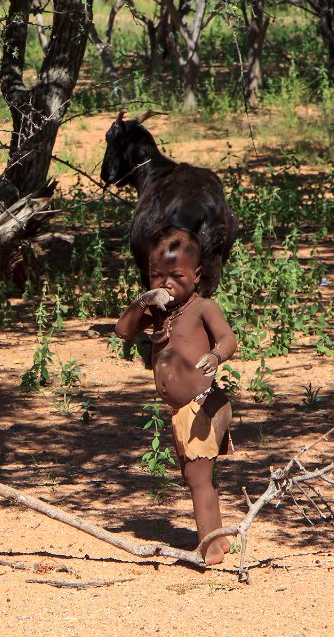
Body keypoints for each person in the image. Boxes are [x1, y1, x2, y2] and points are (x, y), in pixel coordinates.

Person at [115, 226, 237, 565]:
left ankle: (209, 550)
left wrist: (215, 356)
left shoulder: (203, 308)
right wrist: (143, 301)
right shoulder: (160, 312)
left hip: (202, 406)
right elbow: (123, 330)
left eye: (176, 276)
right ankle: (219, 538)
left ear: (196, 276)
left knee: (198, 478)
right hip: (183, 410)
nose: (166, 283)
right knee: (195, 477)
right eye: (157, 275)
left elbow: (228, 339)